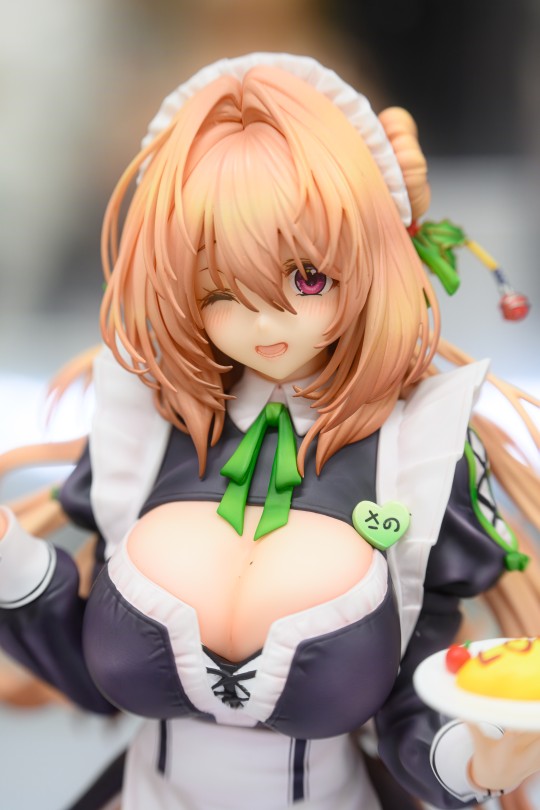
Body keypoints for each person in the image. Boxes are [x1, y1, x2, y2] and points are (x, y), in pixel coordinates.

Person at [0, 53, 539, 810]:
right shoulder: (149, 426)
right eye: (220, 288)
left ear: (370, 257)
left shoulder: (415, 450)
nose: (264, 322)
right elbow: (92, 669)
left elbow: (410, 702)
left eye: (306, 278)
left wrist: (480, 758)